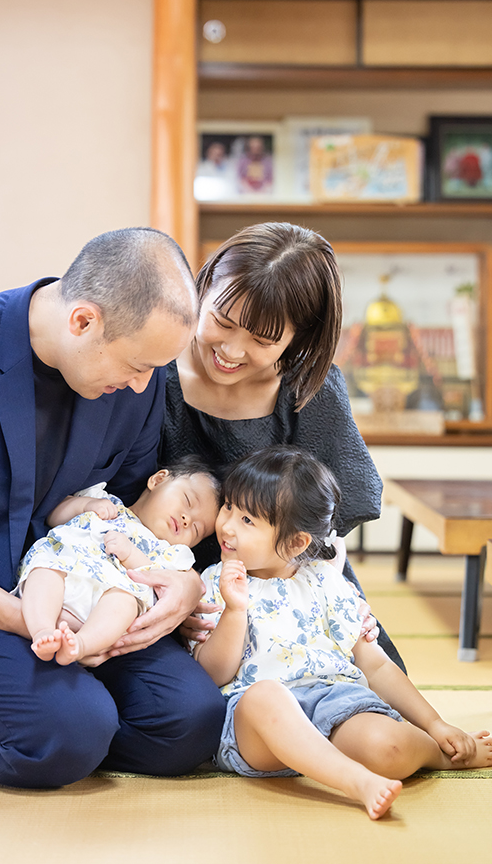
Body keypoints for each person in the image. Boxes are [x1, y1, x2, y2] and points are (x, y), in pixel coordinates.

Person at [0, 227, 226, 788]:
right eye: (138, 365)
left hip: (74, 596)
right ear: (83, 321)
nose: (146, 384)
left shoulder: (140, 383)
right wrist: (11, 613)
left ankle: (40, 717)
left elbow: (129, 506)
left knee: (189, 722)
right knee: (72, 732)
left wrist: (180, 583)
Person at [193, 447, 492, 820]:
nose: (227, 526)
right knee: (265, 697)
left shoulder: (326, 581)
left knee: (390, 748)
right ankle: (356, 782)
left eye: (248, 520)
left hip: (336, 704)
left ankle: (441, 755)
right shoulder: (212, 582)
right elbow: (212, 674)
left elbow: (376, 666)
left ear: (297, 542)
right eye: (229, 508)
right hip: (257, 726)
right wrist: (235, 610)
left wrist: (435, 724)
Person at [159, 221, 403, 669]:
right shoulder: (151, 370)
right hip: (176, 595)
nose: (231, 351)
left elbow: (326, 531)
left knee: (375, 707)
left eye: (262, 340)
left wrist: (329, 600)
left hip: (296, 595)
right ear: (205, 284)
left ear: (299, 337)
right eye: (221, 321)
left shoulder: (311, 390)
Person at [17, 459, 219, 665]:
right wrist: (85, 505)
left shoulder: (169, 555)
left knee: (126, 602)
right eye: (187, 501)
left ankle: (80, 645)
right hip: (65, 569)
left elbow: (158, 586)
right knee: (47, 568)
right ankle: (43, 630)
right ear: (158, 480)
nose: (187, 520)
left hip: (100, 608)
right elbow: (52, 515)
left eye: (196, 530)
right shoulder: (106, 502)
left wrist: (130, 554)